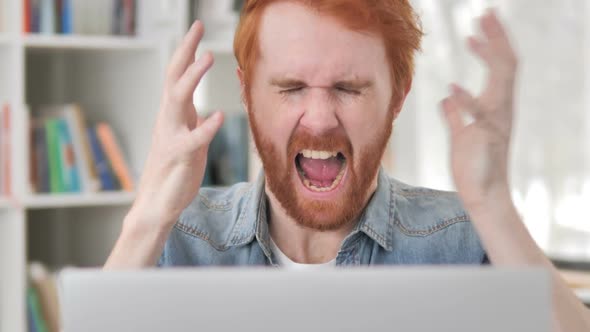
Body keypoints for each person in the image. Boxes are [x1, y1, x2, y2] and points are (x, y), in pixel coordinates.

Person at [105, 0, 590, 330]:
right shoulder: (179, 241)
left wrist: (493, 205)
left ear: (398, 96)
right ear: (246, 94)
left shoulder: (464, 239)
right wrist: (148, 215)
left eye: (349, 88)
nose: (318, 119)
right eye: (291, 87)